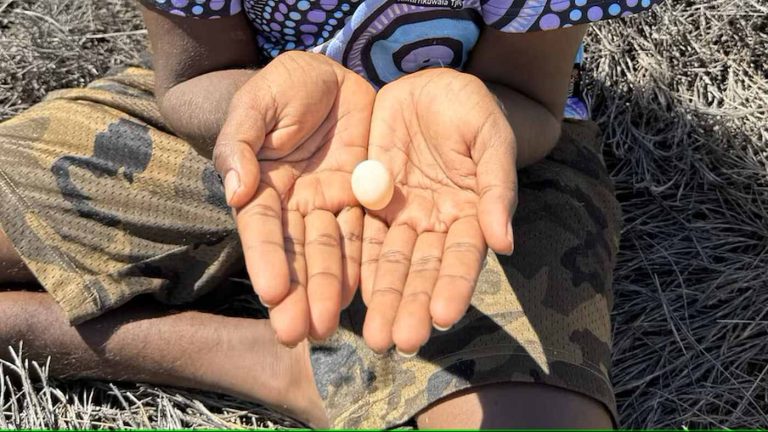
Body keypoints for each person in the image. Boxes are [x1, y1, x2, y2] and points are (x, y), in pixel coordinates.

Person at [0, 0, 663, 428]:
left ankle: (278, 365)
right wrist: (254, 110)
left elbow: (529, 98)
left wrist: (481, 109)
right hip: (253, 124)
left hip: (475, 161)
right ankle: (311, 360)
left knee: (528, 420)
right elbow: (195, 79)